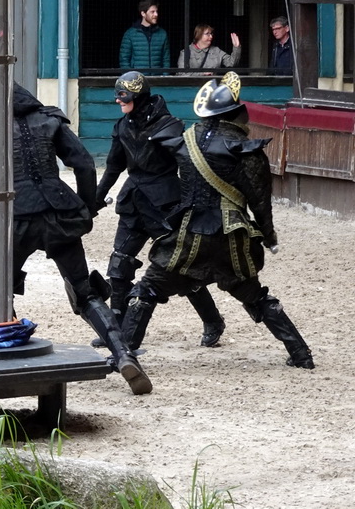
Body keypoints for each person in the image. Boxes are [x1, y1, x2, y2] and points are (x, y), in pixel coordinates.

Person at [119, 72, 314, 369]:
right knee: (253, 294)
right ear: (235, 112)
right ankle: (301, 354)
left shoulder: (185, 141)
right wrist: (269, 237)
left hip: (188, 237)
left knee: (146, 290)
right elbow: (260, 203)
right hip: (230, 239)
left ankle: (124, 356)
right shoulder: (245, 150)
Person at [11, 83, 152, 395]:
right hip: (60, 212)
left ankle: (5, 358)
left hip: (16, 215)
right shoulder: (49, 119)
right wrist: (86, 207)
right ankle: (123, 355)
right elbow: (85, 164)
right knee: (85, 293)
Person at [94, 71, 225, 348]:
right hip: (132, 201)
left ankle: (212, 319)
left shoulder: (169, 126)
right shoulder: (122, 126)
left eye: (123, 96)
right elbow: (114, 166)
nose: (118, 101)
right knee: (120, 263)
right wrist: (95, 198)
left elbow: (189, 167)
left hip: (165, 204)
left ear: (138, 96)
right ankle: (116, 330)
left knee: (181, 267)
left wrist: (195, 201)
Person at [119, 0, 170, 71]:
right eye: (152, 12)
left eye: (156, 11)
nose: (156, 14)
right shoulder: (130, 34)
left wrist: (164, 77)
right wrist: (131, 78)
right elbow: (124, 60)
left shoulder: (162, 34)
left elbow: (166, 60)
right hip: (137, 79)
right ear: (143, 13)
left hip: (157, 79)